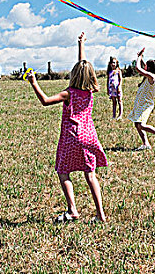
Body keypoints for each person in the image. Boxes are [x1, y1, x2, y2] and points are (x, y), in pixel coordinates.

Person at [27, 32, 107, 223]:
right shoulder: (89, 92)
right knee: (90, 175)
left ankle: (72, 210)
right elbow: (84, 66)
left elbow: (45, 101)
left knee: (63, 171)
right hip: (89, 136)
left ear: (74, 75)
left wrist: (34, 83)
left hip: (72, 136)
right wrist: (81, 44)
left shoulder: (68, 93)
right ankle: (100, 214)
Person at [128, 48, 155, 151]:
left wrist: (138, 58)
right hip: (140, 103)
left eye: (146, 65)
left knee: (141, 125)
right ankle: (145, 144)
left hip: (145, 105)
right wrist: (141, 57)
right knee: (137, 124)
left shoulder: (152, 77)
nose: (144, 66)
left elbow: (138, 68)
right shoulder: (151, 75)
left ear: (150, 68)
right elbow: (144, 67)